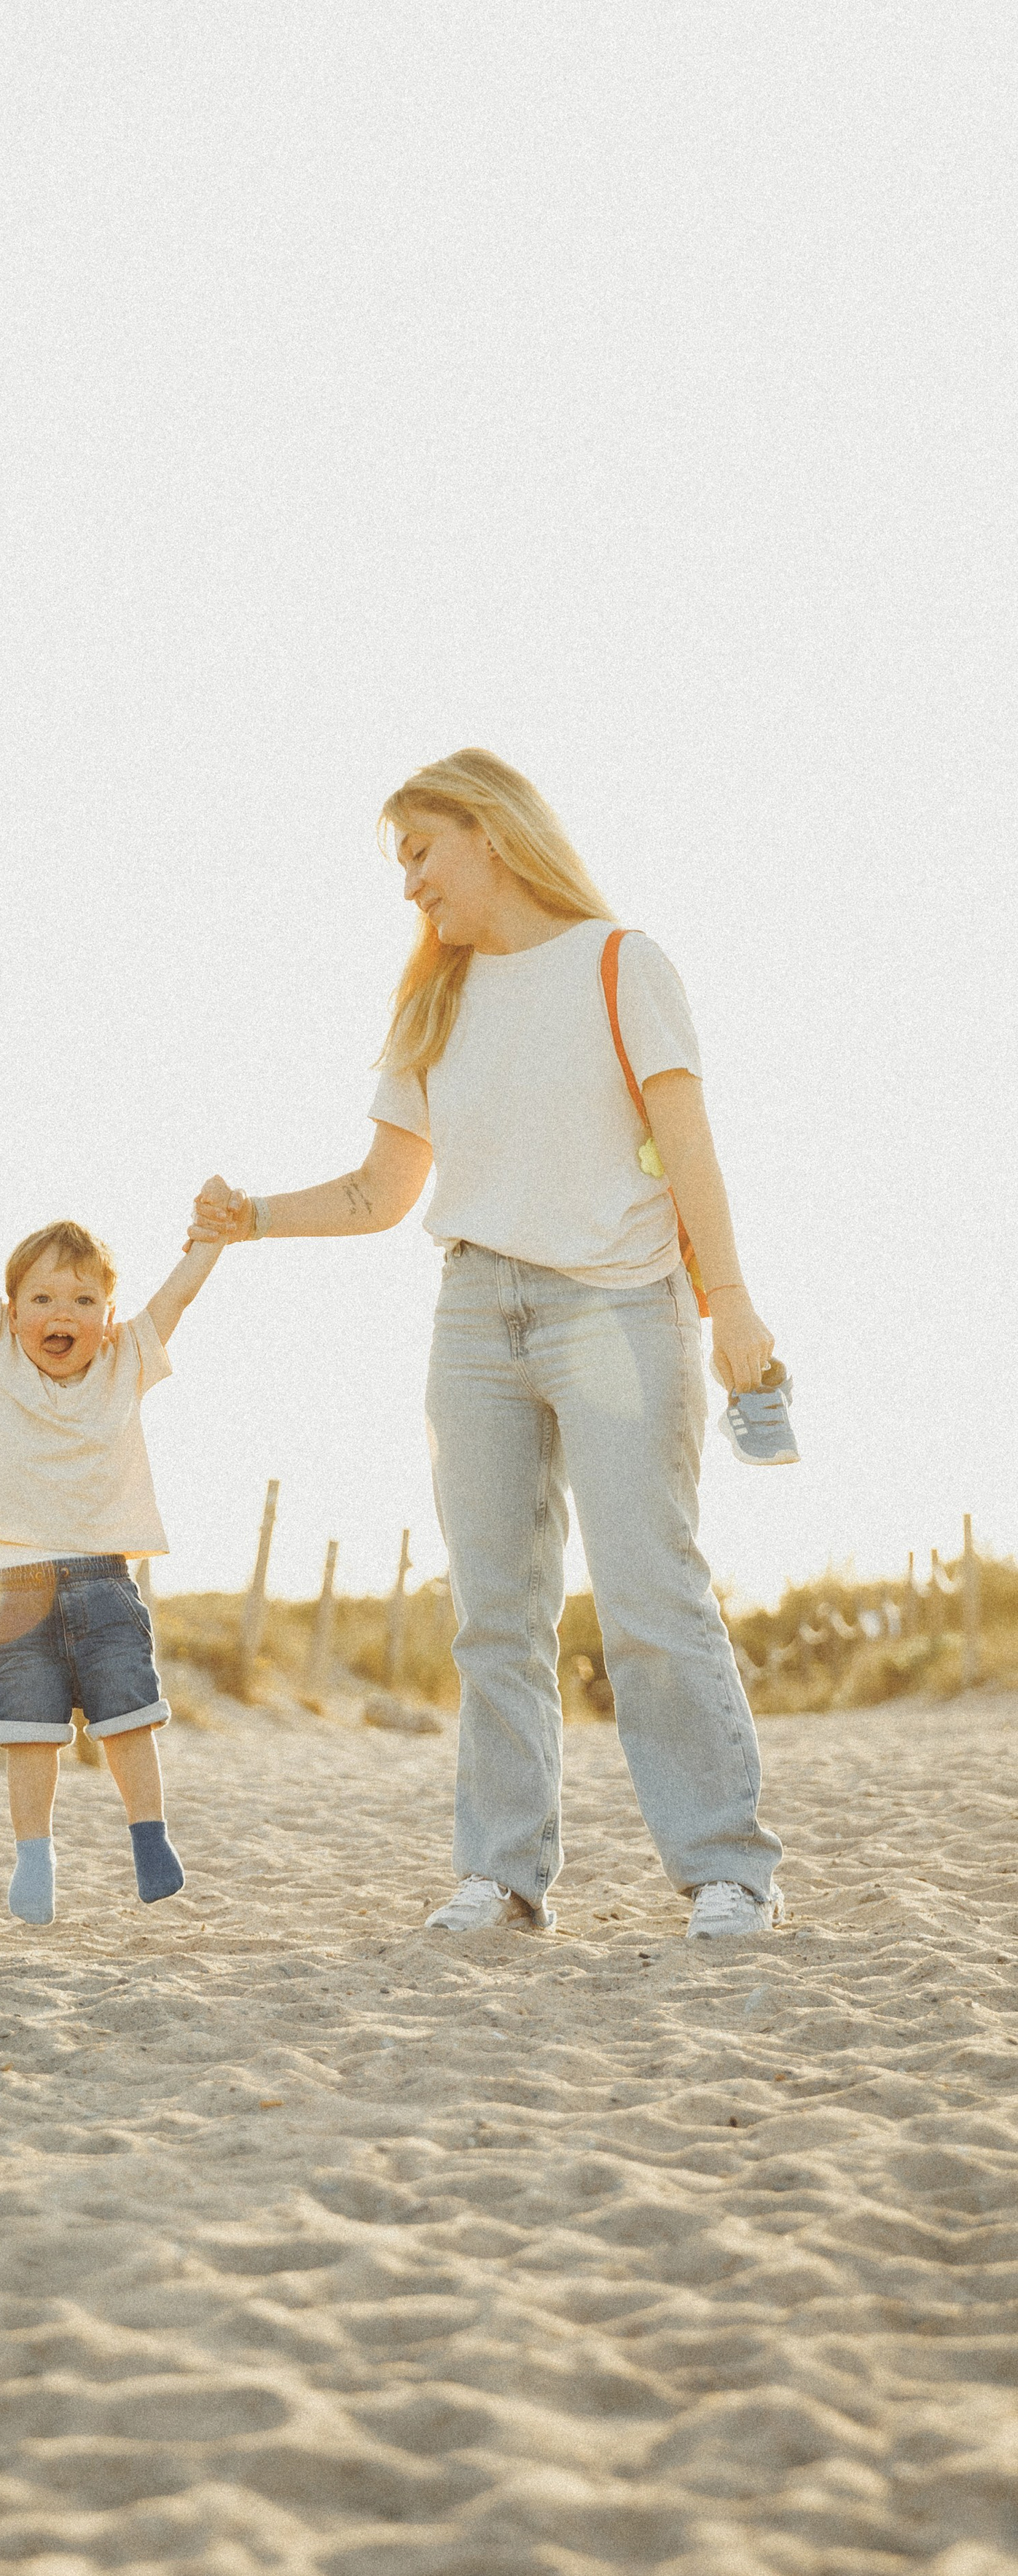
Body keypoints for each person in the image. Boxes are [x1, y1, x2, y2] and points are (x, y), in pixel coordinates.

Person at [189, 747, 785, 1944]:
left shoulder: (623, 963)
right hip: (475, 1316)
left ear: (492, 832)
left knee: (649, 1596)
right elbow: (378, 1190)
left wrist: (734, 1313)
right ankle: (504, 1875)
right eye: (399, 862)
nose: (409, 883)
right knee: (494, 1615)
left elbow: (693, 1149)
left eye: (420, 851)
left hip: (618, 1309)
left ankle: (727, 1868)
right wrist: (252, 1216)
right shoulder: (433, 998)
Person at [0, 1174, 223, 1923]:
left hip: (105, 1581)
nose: (62, 1314)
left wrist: (209, 1240)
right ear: (12, 1312)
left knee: (129, 1718)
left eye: (84, 1301)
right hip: (17, 1588)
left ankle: (149, 1838)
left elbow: (175, 1300)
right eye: (44, 1298)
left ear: (108, 1318)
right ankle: (34, 1858)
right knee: (29, 1731)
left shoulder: (125, 1362)